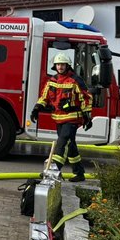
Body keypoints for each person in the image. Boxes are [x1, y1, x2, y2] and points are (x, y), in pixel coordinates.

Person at [30, 53, 92, 182]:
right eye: (58, 64)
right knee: (70, 146)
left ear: (67, 65)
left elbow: (86, 98)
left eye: (62, 64)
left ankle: (53, 171)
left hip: (72, 118)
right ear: (55, 66)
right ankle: (79, 173)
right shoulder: (52, 81)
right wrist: (36, 108)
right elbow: (44, 97)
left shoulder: (75, 80)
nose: (60, 67)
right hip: (58, 118)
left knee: (62, 143)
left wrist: (87, 115)